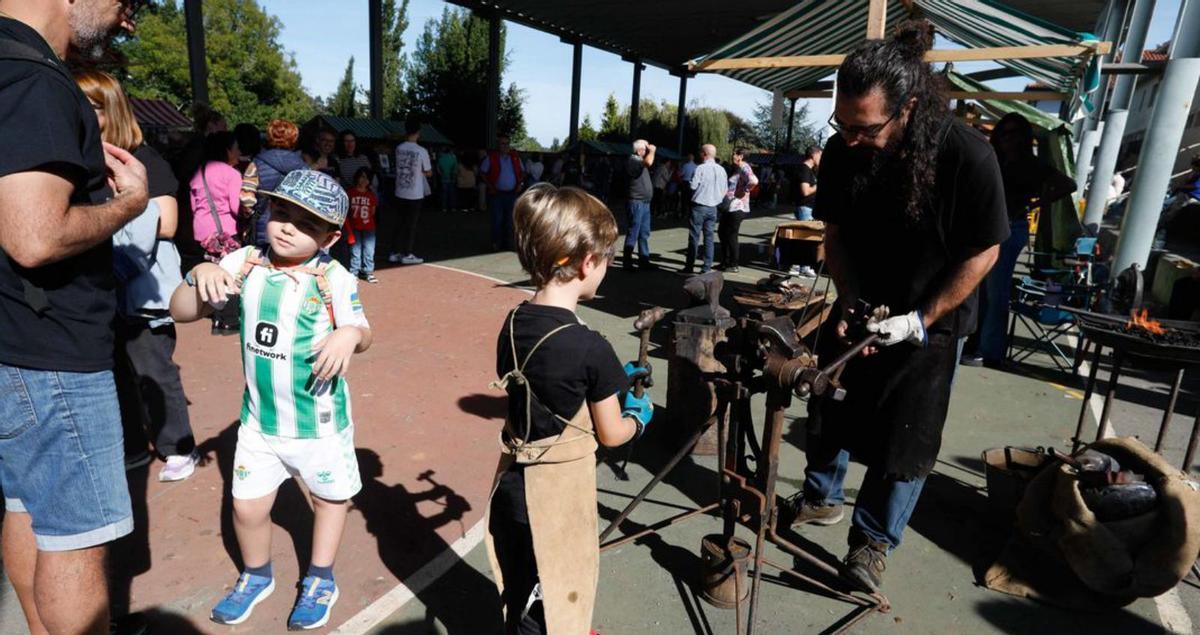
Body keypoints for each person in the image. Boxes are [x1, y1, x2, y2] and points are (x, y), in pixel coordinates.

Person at [788, 21, 1009, 593]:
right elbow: (834, 234)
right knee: (829, 400)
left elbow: (983, 252)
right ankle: (821, 497)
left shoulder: (966, 155)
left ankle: (872, 543)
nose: (851, 137)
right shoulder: (843, 151)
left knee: (906, 433)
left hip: (931, 317)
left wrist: (920, 318)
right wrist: (850, 293)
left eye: (866, 127)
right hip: (863, 296)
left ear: (908, 108)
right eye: (843, 123)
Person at [170, 169, 372, 630]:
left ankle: (321, 577)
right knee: (247, 506)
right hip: (258, 425)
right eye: (280, 212)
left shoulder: (333, 277)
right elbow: (181, 313)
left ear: (330, 237)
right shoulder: (243, 261)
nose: (285, 226)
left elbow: (364, 334)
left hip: (318, 424)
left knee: (328, 500)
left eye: (304, 223)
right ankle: (257, 574)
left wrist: (348, 334)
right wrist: (197, 273)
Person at [0, 3, 146, 633]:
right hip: (55, 351)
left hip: (16, 343)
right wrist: (128, 205)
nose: (129, 20)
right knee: (76, 535)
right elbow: (35, 236)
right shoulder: (34, 76)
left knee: (25, 505)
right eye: (126, 2)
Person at [487, 184, 653, 634]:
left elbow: (548, 377)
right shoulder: (590, 346)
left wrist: (603, 378)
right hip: (555, 495)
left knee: (520, 578)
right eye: (607, 261)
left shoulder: (515, 320)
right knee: (558, 582)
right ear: (586, 263)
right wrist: (638, 415)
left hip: (512, 486)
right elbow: (611, 434)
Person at [76, 69, 198, 482]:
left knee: (153, 370)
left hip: (144, 292)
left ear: (110, 109)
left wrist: (113, 219)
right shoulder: (82, 159)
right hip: (102, 289)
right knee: (117, 374)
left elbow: (165, 222)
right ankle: (133, 446)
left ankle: (178, 446)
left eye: (89, 105)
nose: (78, 112)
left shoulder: (144, 159)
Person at [971, 113, 1074, 366]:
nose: (1009, 138)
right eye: (1004, 133)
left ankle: (990, 351)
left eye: (1015, 133)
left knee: (996, 292)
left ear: (1024, 138)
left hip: (1010, 228)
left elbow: (1068, 184)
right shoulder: (994, 158)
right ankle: (979, 345)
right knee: (981, 290)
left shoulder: (1032, 165)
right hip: (988, 227)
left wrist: (1038, 202)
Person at [190, 130, 246, 334]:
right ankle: (227, 320)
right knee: (229, 272)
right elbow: (235, 207)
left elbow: (194, 205)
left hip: (202, 231)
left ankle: (214, 314)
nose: (239, 152)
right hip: (225, 232)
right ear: (227, 150)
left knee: (211, 271)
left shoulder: (199, 171)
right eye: (236, 148)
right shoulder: (232, 174)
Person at [253, 119, 309, 248]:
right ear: (294, 138)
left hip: (263, 222)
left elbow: (246, 197)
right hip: (293, 225)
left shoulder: (257, 162)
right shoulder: (302, 167)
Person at [390, 120, 431, 265]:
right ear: (418, 133)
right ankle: (407, 252)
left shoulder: (399, 148)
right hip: (415, 192)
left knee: (399, 222)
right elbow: (428, 172)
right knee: (411, 224)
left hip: (400, 190)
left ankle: (394, 252)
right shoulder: (421, 151)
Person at [686, 143, 727, 274]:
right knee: (709, 238)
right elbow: (725, 190)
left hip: (699, 206)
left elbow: (692, 186)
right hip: (713, 207)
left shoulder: (700, 168)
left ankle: (689, 266)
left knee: (694, 236)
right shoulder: (722, 170)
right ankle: (706, 267)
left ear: (704, 154)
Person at [717, 148, 759, 273]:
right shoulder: (737, 168)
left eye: (735, 153)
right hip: (730, 206)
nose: (732, 155)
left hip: (738, 206)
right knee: (722, 232)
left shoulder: (744, 167)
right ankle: (725, 261)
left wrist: (745, 190)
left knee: (731, 235)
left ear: (740, 156)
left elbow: (754, 180)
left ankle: (733, 264)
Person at [482, 133, 524, 251]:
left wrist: (520, 183)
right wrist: (490, 186)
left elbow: (522, 172)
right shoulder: (491, 157)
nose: (505, 146)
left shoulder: (515, 158)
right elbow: (483, 172)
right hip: (497, 194)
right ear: (498, 145)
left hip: (512, 194)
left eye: (507, 143)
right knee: (497, 220)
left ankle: (507, 244)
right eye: (502, 144)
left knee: (510, 221)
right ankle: (495, 243)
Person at [624, 139, 656, 271]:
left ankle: (644, 259)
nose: (647, 151)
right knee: (634, 232)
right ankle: (627, 262)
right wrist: (652, 150)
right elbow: (649, 162)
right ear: (639, 150)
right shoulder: (633, 160)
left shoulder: (638, 161)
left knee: (644, 233)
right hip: (636, 202)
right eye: (645, 149)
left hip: (644, 202)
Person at [348, 167, 379, 283]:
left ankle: (368, 272)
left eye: (366, 178)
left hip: (368, 227)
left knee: (369, 250)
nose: (364, 180)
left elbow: (373, 211)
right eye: (362, 177)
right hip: (354, 226)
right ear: (357, 178)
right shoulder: (351, 193)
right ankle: (354, 272)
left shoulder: (371, 195)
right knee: (355, 251)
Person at [796, 145, 822, 220]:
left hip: (809, 208)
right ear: (813, 155)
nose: (821, 159)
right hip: (805, 209)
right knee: (807, 232)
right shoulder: (804, 169)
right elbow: (805, 191)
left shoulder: (810, 170)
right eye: (820, 155)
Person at [436, 146, 459, 211]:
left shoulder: (440, 159)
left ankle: (444, 207)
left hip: (443, 178)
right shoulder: (453, 158)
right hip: (452, 178)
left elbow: (438, 169)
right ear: (449, 151)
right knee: (452, 193)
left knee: (444, 193)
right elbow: (456, 169)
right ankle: (453, 207)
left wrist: (441, 174)